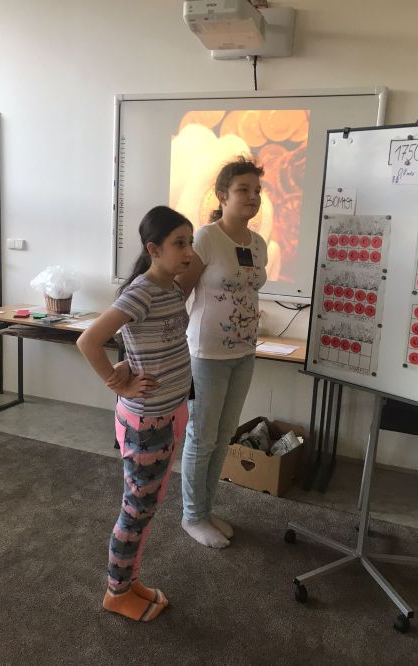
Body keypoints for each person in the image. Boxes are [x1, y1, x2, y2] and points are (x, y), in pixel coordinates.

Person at [77, 206, 194, 622]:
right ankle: (116, 592)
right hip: (148, 423)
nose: (188, 251)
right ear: (153, 248)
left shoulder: (172, 287)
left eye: (190, 242)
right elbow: (89, 341)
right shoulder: (142, 291)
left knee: (147, 505)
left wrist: (130, 364)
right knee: (136, 510)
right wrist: (118, 382)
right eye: (179, 243)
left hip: (170, 413)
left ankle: (129, 581)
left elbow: (148, 340)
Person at [176, 156, 268, 548]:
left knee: (225, 434)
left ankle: (206, 509)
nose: (252, 197)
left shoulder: (258, 243)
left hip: (244, 352)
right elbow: (179, 293)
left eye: (257, 190)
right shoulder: (206, 238)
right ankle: (192, 516)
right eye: (243, 189)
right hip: (206, 354)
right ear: (222, 195)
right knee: (202, 437)